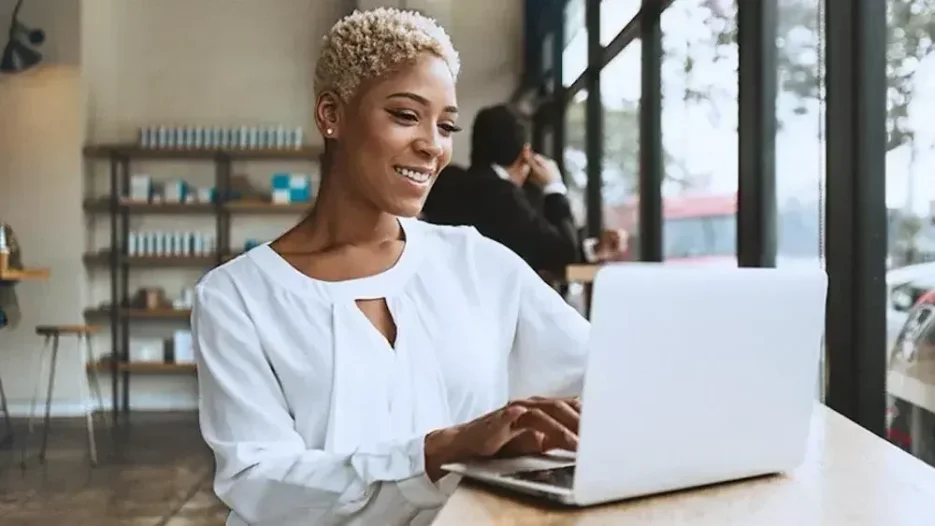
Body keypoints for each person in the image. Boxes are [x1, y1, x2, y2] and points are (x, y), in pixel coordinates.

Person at [192, 8, 589, 526]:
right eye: (406, 115)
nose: (433, 145)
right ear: (331, 115)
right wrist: (435, 451)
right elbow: (259, 482)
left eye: (446, 125)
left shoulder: (477, 262)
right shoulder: (235, 297)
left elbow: (604, 375)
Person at [421, 104, 627, 274]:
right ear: (526, 153)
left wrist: (594, 250)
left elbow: (536, 244)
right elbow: (563, 253)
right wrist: (554, 186)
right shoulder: (502, 196)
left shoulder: (446, 183)